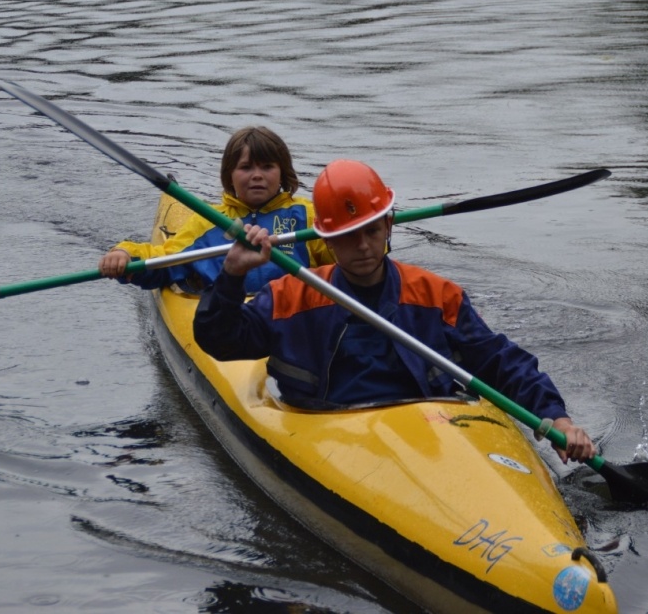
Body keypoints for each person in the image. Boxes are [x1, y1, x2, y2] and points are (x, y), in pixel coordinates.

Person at [193, 159, 596, 464]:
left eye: (371, 231)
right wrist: (230, 276)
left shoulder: (437, 296)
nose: (364, 246)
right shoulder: (290, 296)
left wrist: (555, 418)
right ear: (328, 241)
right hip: (333, 437)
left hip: (429, 437)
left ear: (388, 226)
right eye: (349, 237)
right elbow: (219, 341)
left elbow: (501, 361)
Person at [98, 126, 333, 293]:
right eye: (246, 167)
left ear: (282, 173)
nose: (257, 175)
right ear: (230, 177)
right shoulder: (208, 222)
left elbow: (342, 257)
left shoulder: (307, 214)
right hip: (227, 316)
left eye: (267, 166)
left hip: (290, 312)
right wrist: (126, 253)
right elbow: (165, 260)